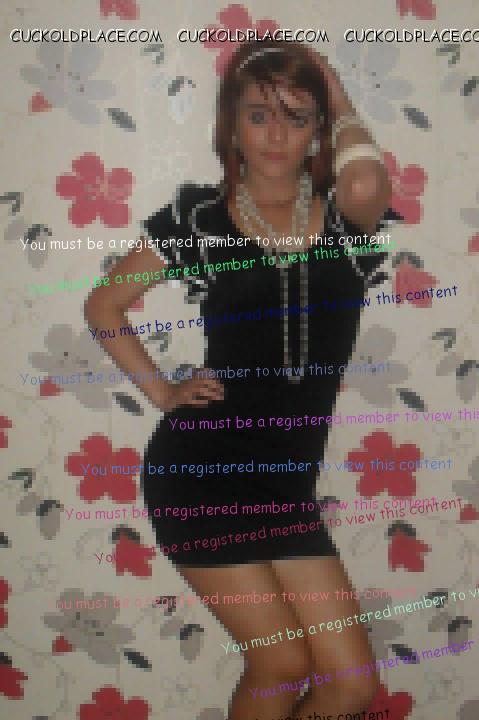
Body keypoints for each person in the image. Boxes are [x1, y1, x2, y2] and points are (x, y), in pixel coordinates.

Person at [85, 39, 396, 720]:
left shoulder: (346, 221)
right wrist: (163, 391)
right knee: (281, 665)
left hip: (286, 485)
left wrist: (330, 84)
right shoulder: (200, 220)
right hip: (203, 472)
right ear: (231, 126)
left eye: (297, 116)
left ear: (319, 128)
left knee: (351, 683)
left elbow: (367, 181)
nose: (277, 134)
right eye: (258, 115)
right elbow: (104, 306)